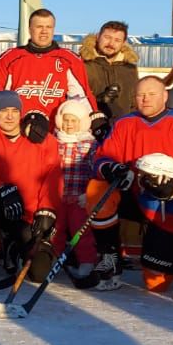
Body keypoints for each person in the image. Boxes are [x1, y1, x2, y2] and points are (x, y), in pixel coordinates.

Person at [87, 76, 173, 292]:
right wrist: (110, 167)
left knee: (157, 283)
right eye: (140, 94)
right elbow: (102, 157)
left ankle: (160, 260)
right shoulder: (125, 123)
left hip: (168, 203)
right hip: (132, 194)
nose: (145, 99)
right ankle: (110, 256)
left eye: (152, 94)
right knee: (96, 189)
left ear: (165, 96)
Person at [0, 91, 64, 282]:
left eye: (14, 111)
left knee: (39, 273)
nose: (9, 116)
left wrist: (47, 210)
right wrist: (2, 189)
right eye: (3, 111)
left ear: (21, 114)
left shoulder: (42, 140)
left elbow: (53, 176)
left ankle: (13, 246)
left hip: (27, 211)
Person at [0, 9, 87, 124]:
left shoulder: (69, 59)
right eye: (39, 26)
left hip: (55, 133)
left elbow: (82, 100)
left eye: (49, 27)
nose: (44, 31)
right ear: (30, 29)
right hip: (18, 131)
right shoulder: (9, 58)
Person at [51, 97, 103, 287]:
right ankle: (52, 260)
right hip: (57, 197)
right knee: (55, 231)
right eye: (66, 120)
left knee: (80, 232)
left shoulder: (89, 144)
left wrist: (88, 194)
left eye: (74, 121)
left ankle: (87, 262)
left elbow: (94, 171)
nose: (69, 125)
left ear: (81, 123)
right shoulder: (55, 141)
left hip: (79, 197)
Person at [80, 20, 139, 133]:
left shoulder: (130, 69)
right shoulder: (83, 64)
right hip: (89, 131)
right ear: (98, 36)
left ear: (123, 43)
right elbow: (74, 99)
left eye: (117, 40)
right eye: (107, 37)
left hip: (123, 131)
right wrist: (98, 101)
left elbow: (134, 103)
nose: (111, 43)